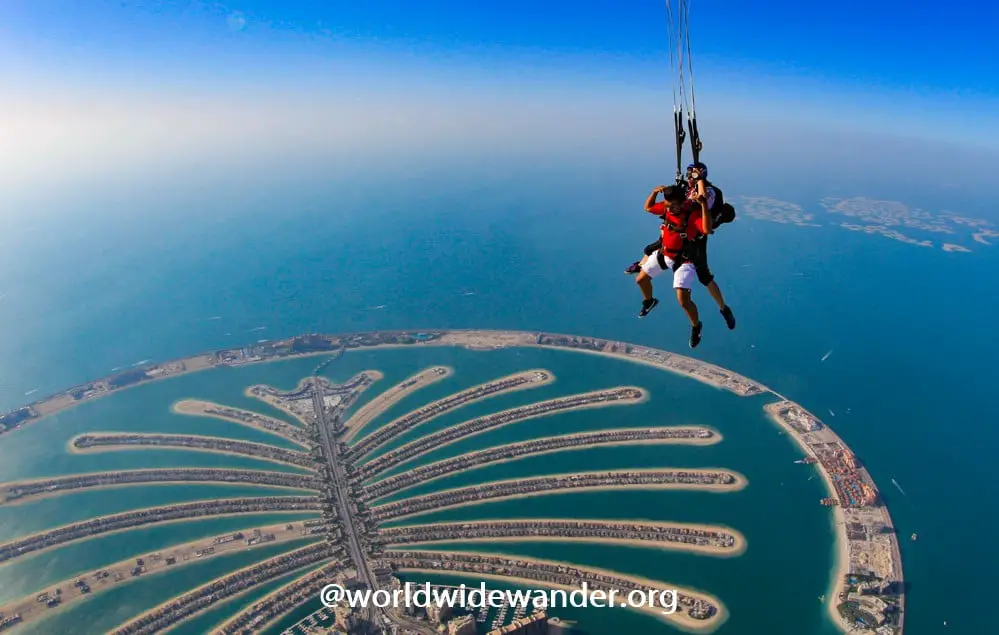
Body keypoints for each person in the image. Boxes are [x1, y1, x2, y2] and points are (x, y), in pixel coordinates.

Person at [626, 162, 736, 331]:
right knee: (653, 248)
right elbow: (665, 201)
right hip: (676, 234)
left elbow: (703, 202)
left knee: (704, 277)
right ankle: (642, 268)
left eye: (693, 175)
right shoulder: (684, 192)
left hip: (695, 236)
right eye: (689, 175)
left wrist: (699, 181)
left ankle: (724, 309)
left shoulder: (709, 192)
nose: (690, 178)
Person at [634, 184, 710, 348]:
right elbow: (648, 208)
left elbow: (706, 229)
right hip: (665, 254)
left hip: (684, 260)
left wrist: (703, 205)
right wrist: (654, 192)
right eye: (667, 204)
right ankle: (649, 301)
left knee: (683, 301)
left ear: (682, 203)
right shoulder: (668, 207)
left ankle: (696, 327)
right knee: (641, 280)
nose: (668, 208)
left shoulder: (691, 214)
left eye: (672, 205)